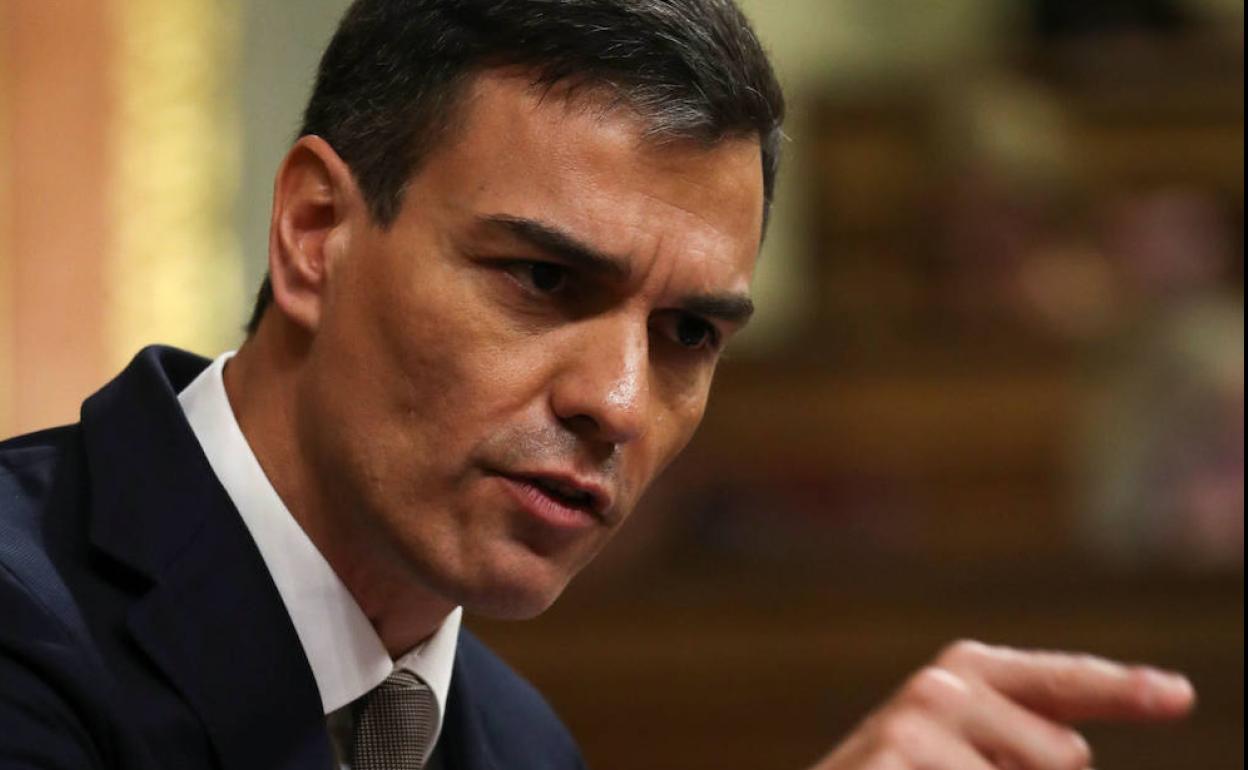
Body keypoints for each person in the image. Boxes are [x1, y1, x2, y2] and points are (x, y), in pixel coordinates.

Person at [0, 1, 1195, 769]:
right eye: (542, 278)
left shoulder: (520, 742)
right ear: (317, 232)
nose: (619, 401)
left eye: (688, 331)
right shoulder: (22, 620)